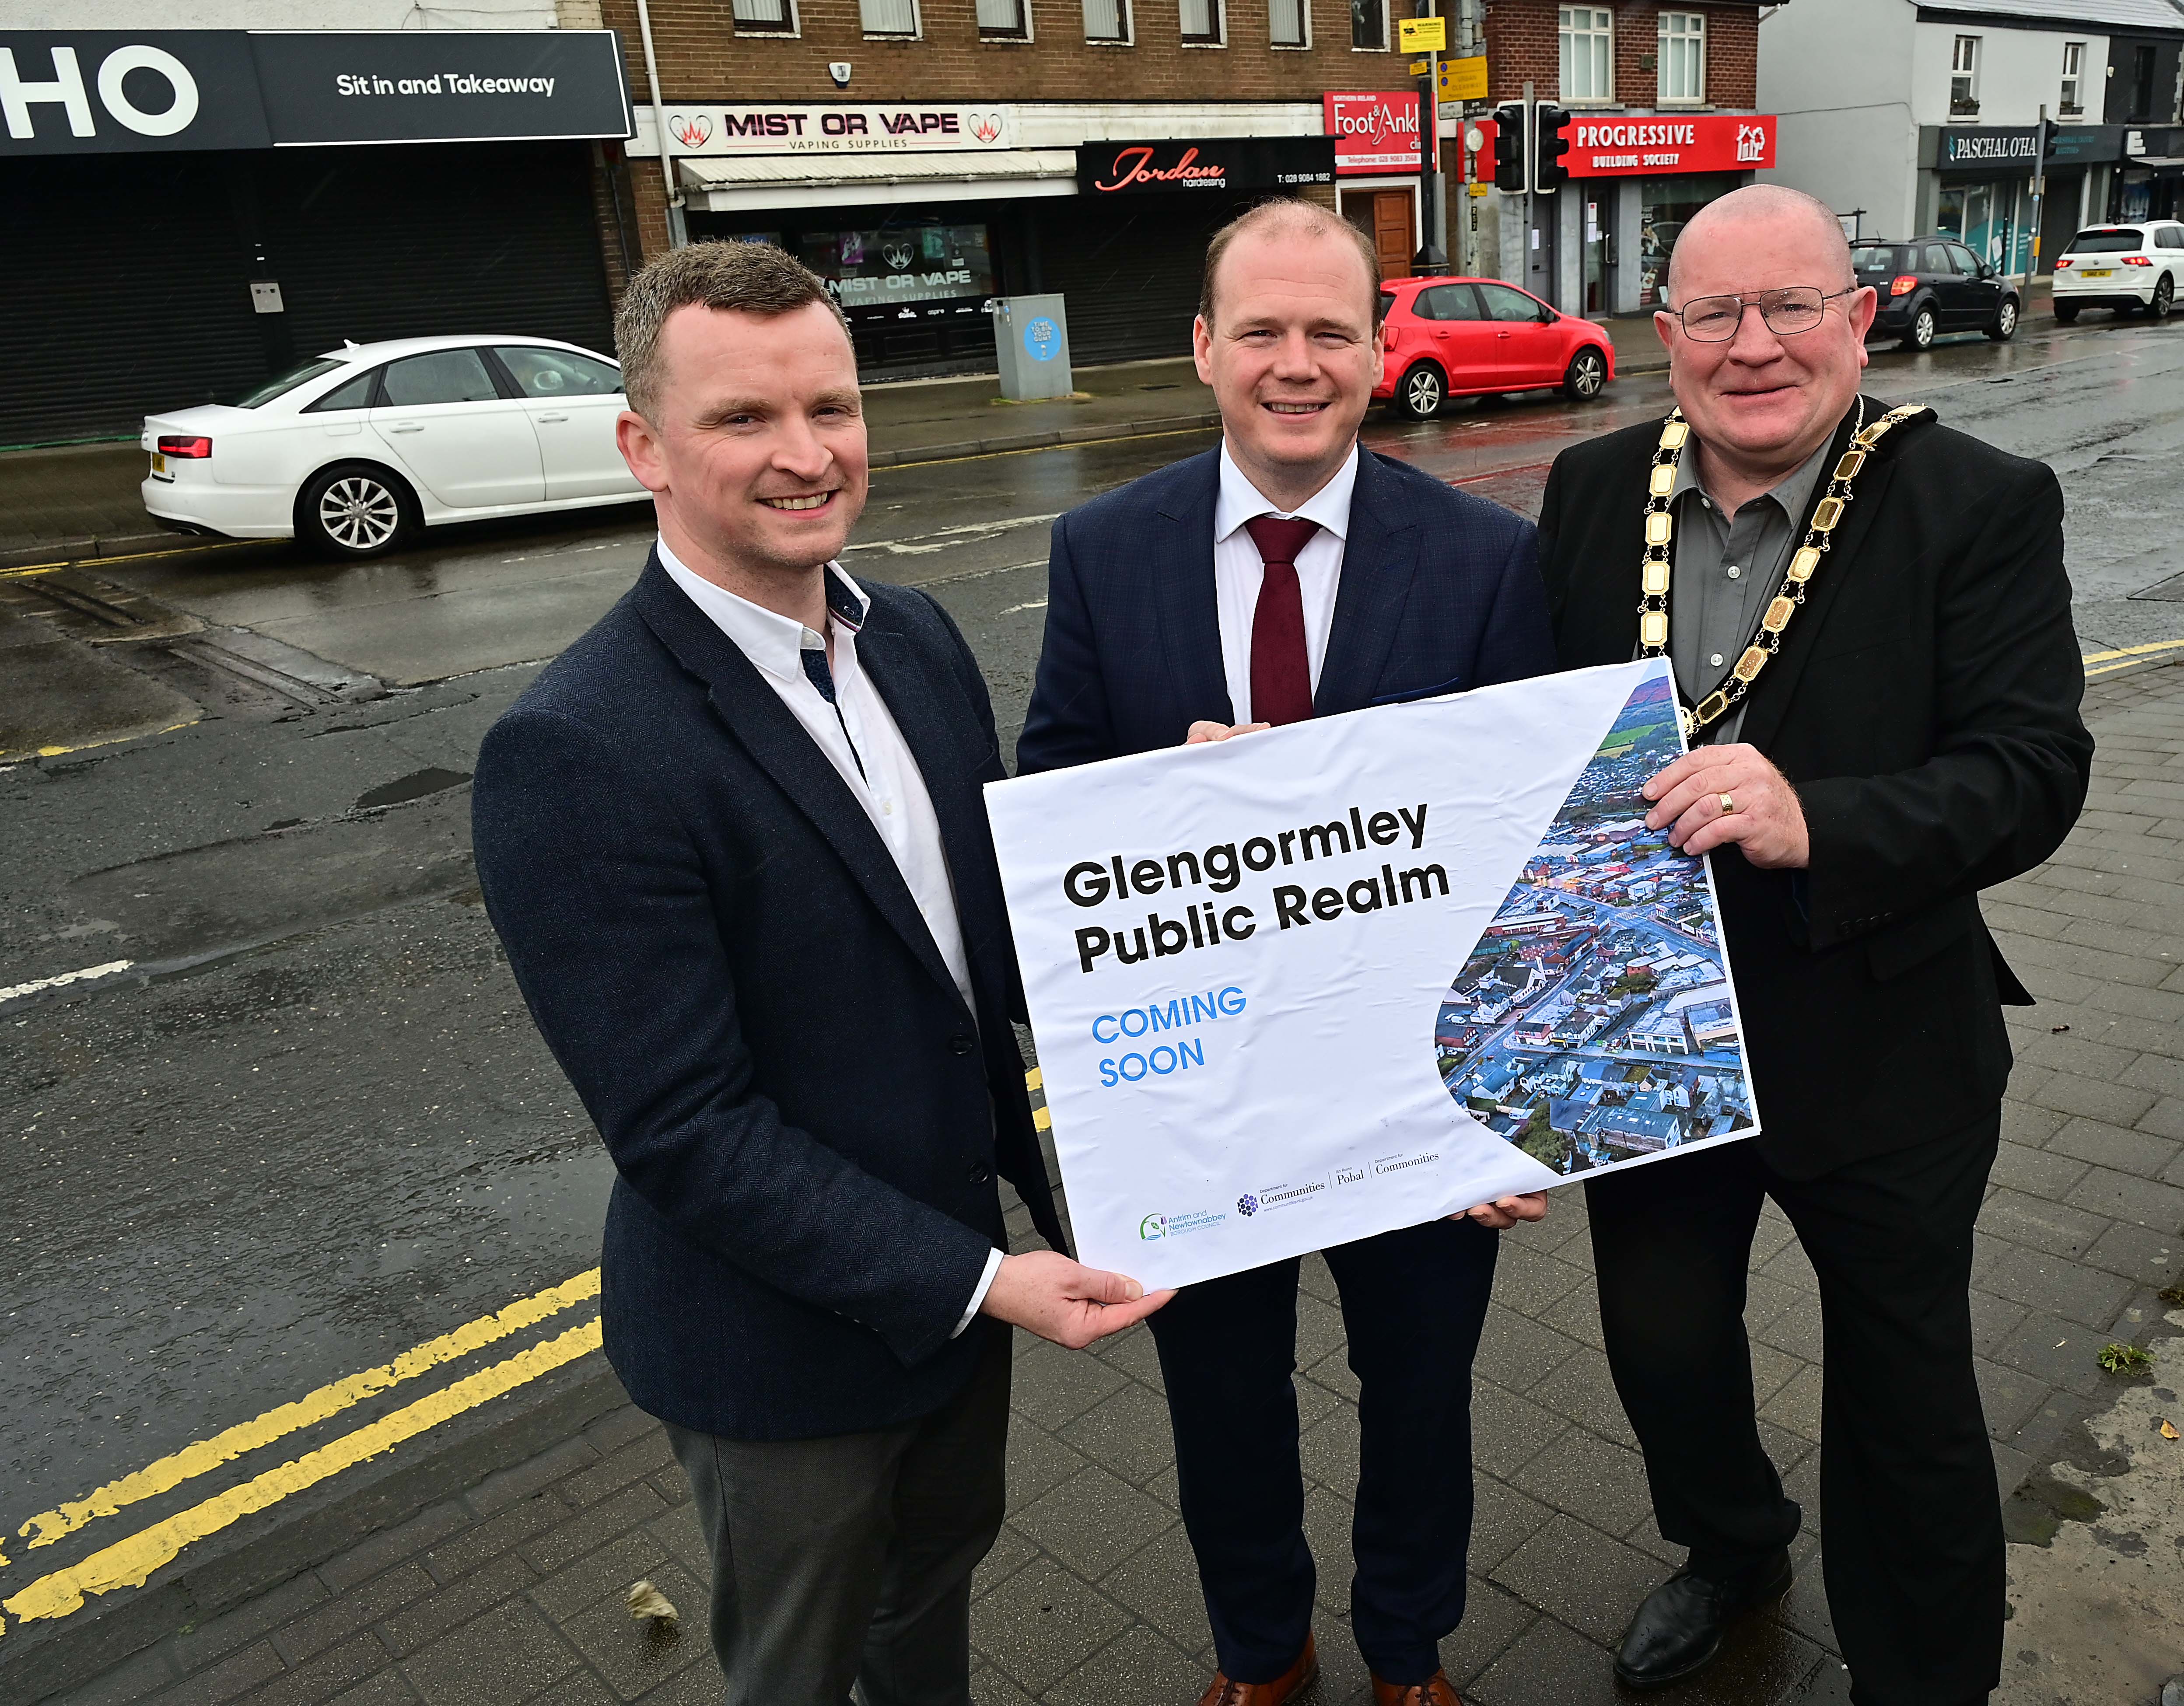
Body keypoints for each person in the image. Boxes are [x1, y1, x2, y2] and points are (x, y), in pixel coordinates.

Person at [472, 240, 1169, 1706]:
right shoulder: (578, 747)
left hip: (964, 1303)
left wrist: (1196, 829)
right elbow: (684, 1129)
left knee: (927, 1610)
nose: (807, 456)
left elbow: (988, 956)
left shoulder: (908, 637)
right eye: (744, 420)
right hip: (781, 1357)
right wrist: (984, 1279)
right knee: (800, 1669)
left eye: (833, 408)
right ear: (643, 446)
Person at [1534, 185, 2095, 1702]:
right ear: (1669, 337)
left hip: (1880, 1035)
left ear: (1858, 318)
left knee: (1903, 1389)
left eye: (1793, 306)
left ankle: (1921, 1674)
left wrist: (1820, 817)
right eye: (1716, 311)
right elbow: (1512, 746)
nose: (1755, 344)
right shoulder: (1592, 492)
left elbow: (2033, 773)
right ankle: (1732, 1546)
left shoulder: (1975, 501)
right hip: (1644, 1035)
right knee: (1660, 1346)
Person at [1018, 199, 1557, 1706]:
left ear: (1381, 355)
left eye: (1331, 330)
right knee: (1225, 1406)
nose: (1296, 363)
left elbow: (1529, 840)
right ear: (1204, 349)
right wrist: (1157, 807)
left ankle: (1408, 1651)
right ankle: (1267, 1654)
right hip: (1201, 1105)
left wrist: (1524, 1100)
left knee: (1423, 1394)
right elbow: (1056, 815)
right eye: (1261, 329)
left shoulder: (1481, 560)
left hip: (1418, 1097)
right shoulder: (1102, 549)